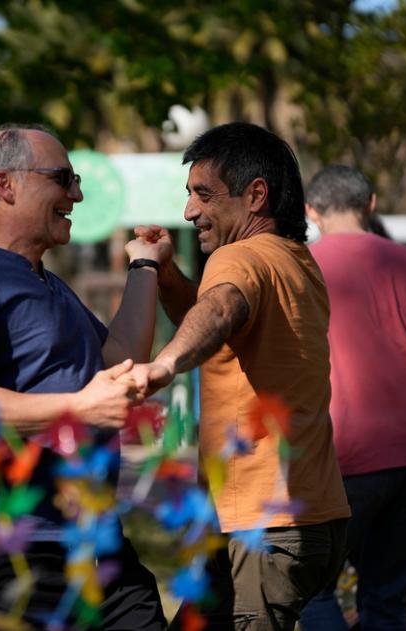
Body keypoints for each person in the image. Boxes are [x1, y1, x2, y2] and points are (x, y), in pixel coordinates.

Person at [0, 124, 168, 629]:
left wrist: (144, 268)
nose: (77, 193)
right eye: (63, 178)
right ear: (6, 185)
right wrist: (78, 408)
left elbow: (118, 360)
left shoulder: (50, 285)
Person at [128, 122, 351, 630]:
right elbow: (215, 313)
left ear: (255, 196)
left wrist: (163, 365)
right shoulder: (294, 261)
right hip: (305, 518)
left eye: (203, 195)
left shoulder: (238, 258)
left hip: (265, 525)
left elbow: (223, 308)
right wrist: (165, 275)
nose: (188, 212)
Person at [299, 165, 406, 630]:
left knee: (314, 591)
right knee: (387, 598)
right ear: (371, 203)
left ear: (311, 211)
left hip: (342, 457)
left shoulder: (300, 267)